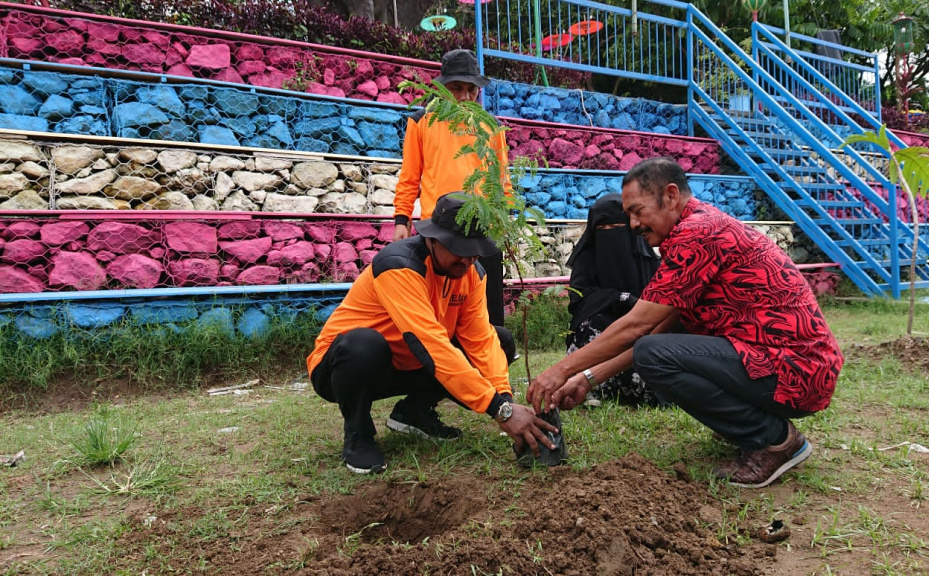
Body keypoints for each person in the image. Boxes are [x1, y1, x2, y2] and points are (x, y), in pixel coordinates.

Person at [528, 157, 843, 488]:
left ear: (671, 196)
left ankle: (774, 440)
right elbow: (663, 328)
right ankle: (754, 428)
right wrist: (588, 379)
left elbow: (638, 328)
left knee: (653, 354)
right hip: (793, 367)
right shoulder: (694, 230)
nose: (632, 225)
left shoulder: (698, 233)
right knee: (656, 350)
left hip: (798, 369)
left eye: (637, 211)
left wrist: (559, 372)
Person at [308, 193, 557, 474]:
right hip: (344, 368)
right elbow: (429, 343)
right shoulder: (399, 266)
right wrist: (499, 409)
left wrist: (505, 399)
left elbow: (481, 341)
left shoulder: (472, 272)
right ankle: (358, 435)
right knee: (363, 344)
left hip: (411, 362)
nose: (467, 260)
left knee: (499, 339)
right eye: (459, 250)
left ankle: (413, 413)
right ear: (433, 239)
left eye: (474, 251)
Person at [393, 48, 509, 326]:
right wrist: (401, 220)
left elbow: (502, 181)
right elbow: (410, 176)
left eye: (472, 90)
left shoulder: (490, 126)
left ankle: (493, 361)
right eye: (457, 88)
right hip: (437, 229)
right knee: (436, 308)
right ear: (443, 86)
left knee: (489, 311)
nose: (466, 96)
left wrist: (503, 222)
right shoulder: (421, 121)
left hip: (483, 227)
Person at [565, 193, 661, 407]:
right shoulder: (587, 257)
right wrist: (622, 298)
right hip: (600, 321)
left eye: (616, 226)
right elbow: (577, 298)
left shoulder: (645, 258)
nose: (609, 234)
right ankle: (593, 387)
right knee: (590, 326)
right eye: (602, 229)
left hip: (639, 325)